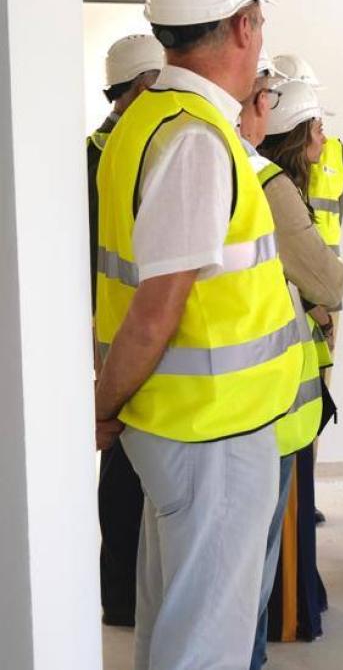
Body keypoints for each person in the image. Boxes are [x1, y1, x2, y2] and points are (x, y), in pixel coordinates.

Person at [93, 0, 302, 669]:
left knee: (174, 627)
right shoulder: (198, 140)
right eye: (260, 25)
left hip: (179, 424)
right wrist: (103, 405)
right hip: (210, 431)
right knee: (204, 648)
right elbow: (158, 308)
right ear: (243, 26)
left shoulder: (142, 121)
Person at [244, 74, 343, 666]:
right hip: (272, 402)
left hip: (255, 398)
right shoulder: (274, 187)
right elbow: (328, 282)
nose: (325, 137)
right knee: (254, 570)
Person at [90, 32, 163, 629]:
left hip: (139, 330)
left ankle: (129, 592)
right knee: (122, 469)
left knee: (138, 468)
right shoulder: (101, 154)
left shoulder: (127, 147)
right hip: (122, 336)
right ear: (139, 87)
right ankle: (119, 596)